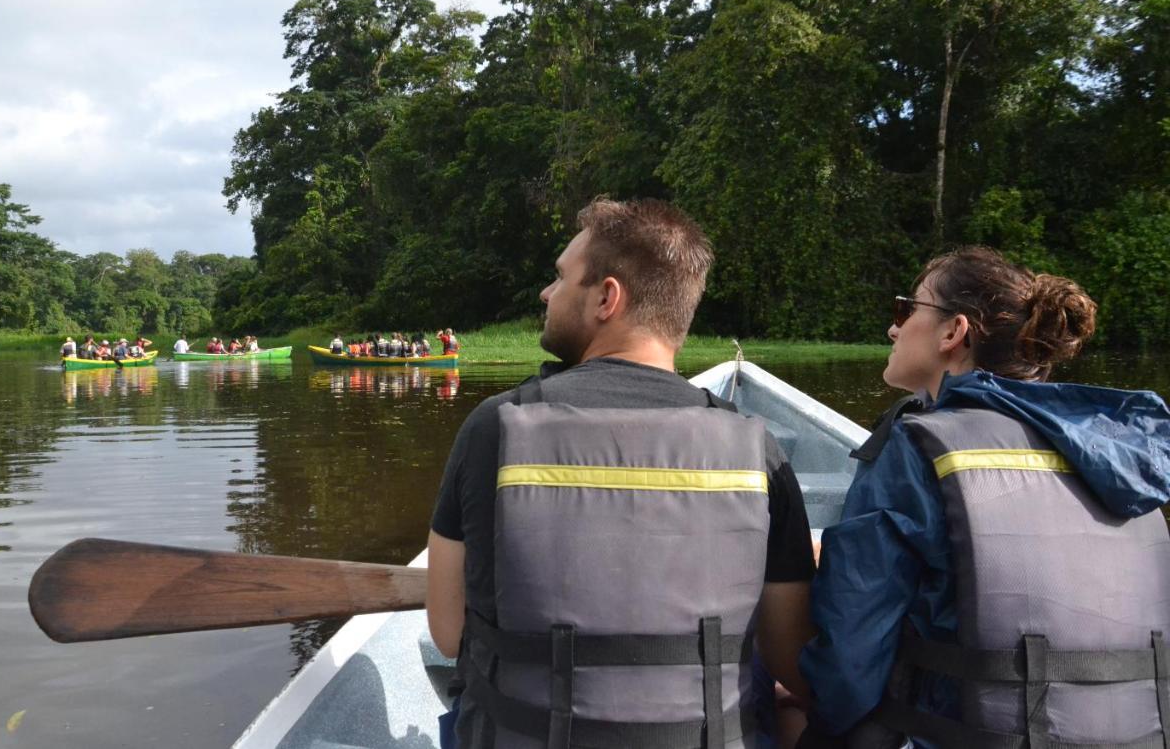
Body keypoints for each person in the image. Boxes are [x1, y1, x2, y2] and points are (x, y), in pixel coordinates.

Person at [427, 199, 816, 749]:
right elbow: (790, 656)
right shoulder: (759, 450)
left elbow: (447, 634)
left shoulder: (495, 429)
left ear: (607, 298)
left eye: (561, 277)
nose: (547, 292)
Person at [797, 247, 1170, 749]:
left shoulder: (916, 446)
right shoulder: (1121, 452)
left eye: (908, 309)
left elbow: (849, 657)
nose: (894, 327)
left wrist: (800, 702)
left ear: (954, 333)